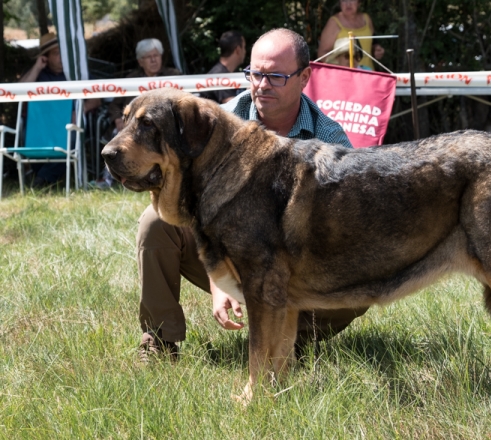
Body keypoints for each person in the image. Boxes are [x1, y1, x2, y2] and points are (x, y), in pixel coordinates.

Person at [136, 28, 368, 360]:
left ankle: (288, 337)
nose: (261, 85)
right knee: (157, 221)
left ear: (304, 77)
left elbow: (344, 230)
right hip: (228, 259)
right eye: (255, 74)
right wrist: (220, 283)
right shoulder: (218, 123)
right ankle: (159, 339)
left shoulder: (329, 139)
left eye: (275, 76)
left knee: (362, 278)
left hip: (298, 273)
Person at [97, 39, 181, 188]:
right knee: (117, 135)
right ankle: (109, 178)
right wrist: (117, 118)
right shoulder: (131, 79)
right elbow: (114, 105)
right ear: (140, 61)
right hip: (131, 128)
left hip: (162, 128)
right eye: (149, 57)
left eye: (157, 55)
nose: (154, 60)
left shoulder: (173, 76)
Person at [19, 32, 100, 187]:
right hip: (42, 126)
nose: (62, 57)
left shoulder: (77, 73)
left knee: (70, 138)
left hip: (69, 122)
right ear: (46, 57)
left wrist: (81, 109)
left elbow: (96, 99)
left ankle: (42, 180)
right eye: (56, 53)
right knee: (30, 137)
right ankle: (44, 176)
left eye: (64, 52)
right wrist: (36, 67)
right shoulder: (39, 75)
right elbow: (18, 92)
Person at [317, 0, 384, 70]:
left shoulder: (366, 19)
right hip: (344, 75)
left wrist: (376, 49)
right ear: (340, 3)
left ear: (359, 2)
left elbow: (373, 43)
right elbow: (321, 53)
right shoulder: (333, 22)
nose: (348, 4)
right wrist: (340, 63)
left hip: (368, 74)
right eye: (344, 1)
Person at [200, 30, 246, 104]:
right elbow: (233, 106)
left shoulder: (222, 72)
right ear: (238, 50)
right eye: (244, 47)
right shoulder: (220, 76)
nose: (245, 51)